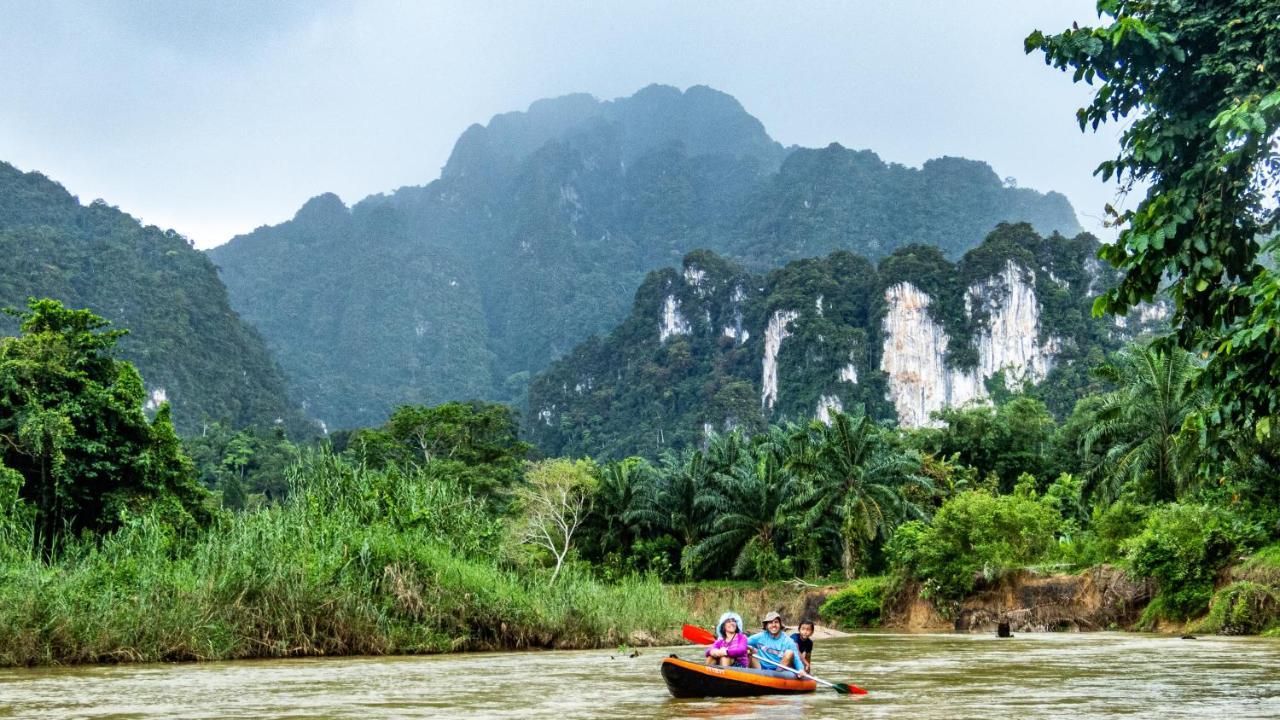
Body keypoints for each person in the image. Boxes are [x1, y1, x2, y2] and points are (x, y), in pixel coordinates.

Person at [747, 610, 805, 676]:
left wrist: (801, 669)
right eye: (770, 623)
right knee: (751, 651)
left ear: (780, 625)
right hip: (761, 668)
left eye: (776, 622)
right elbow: (743, 642)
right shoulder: (760, 636)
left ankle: (775, 677)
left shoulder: (788, 641)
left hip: (779, 671)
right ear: (766, 626)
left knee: (789, 653)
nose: (773, 625)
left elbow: (797, 659)